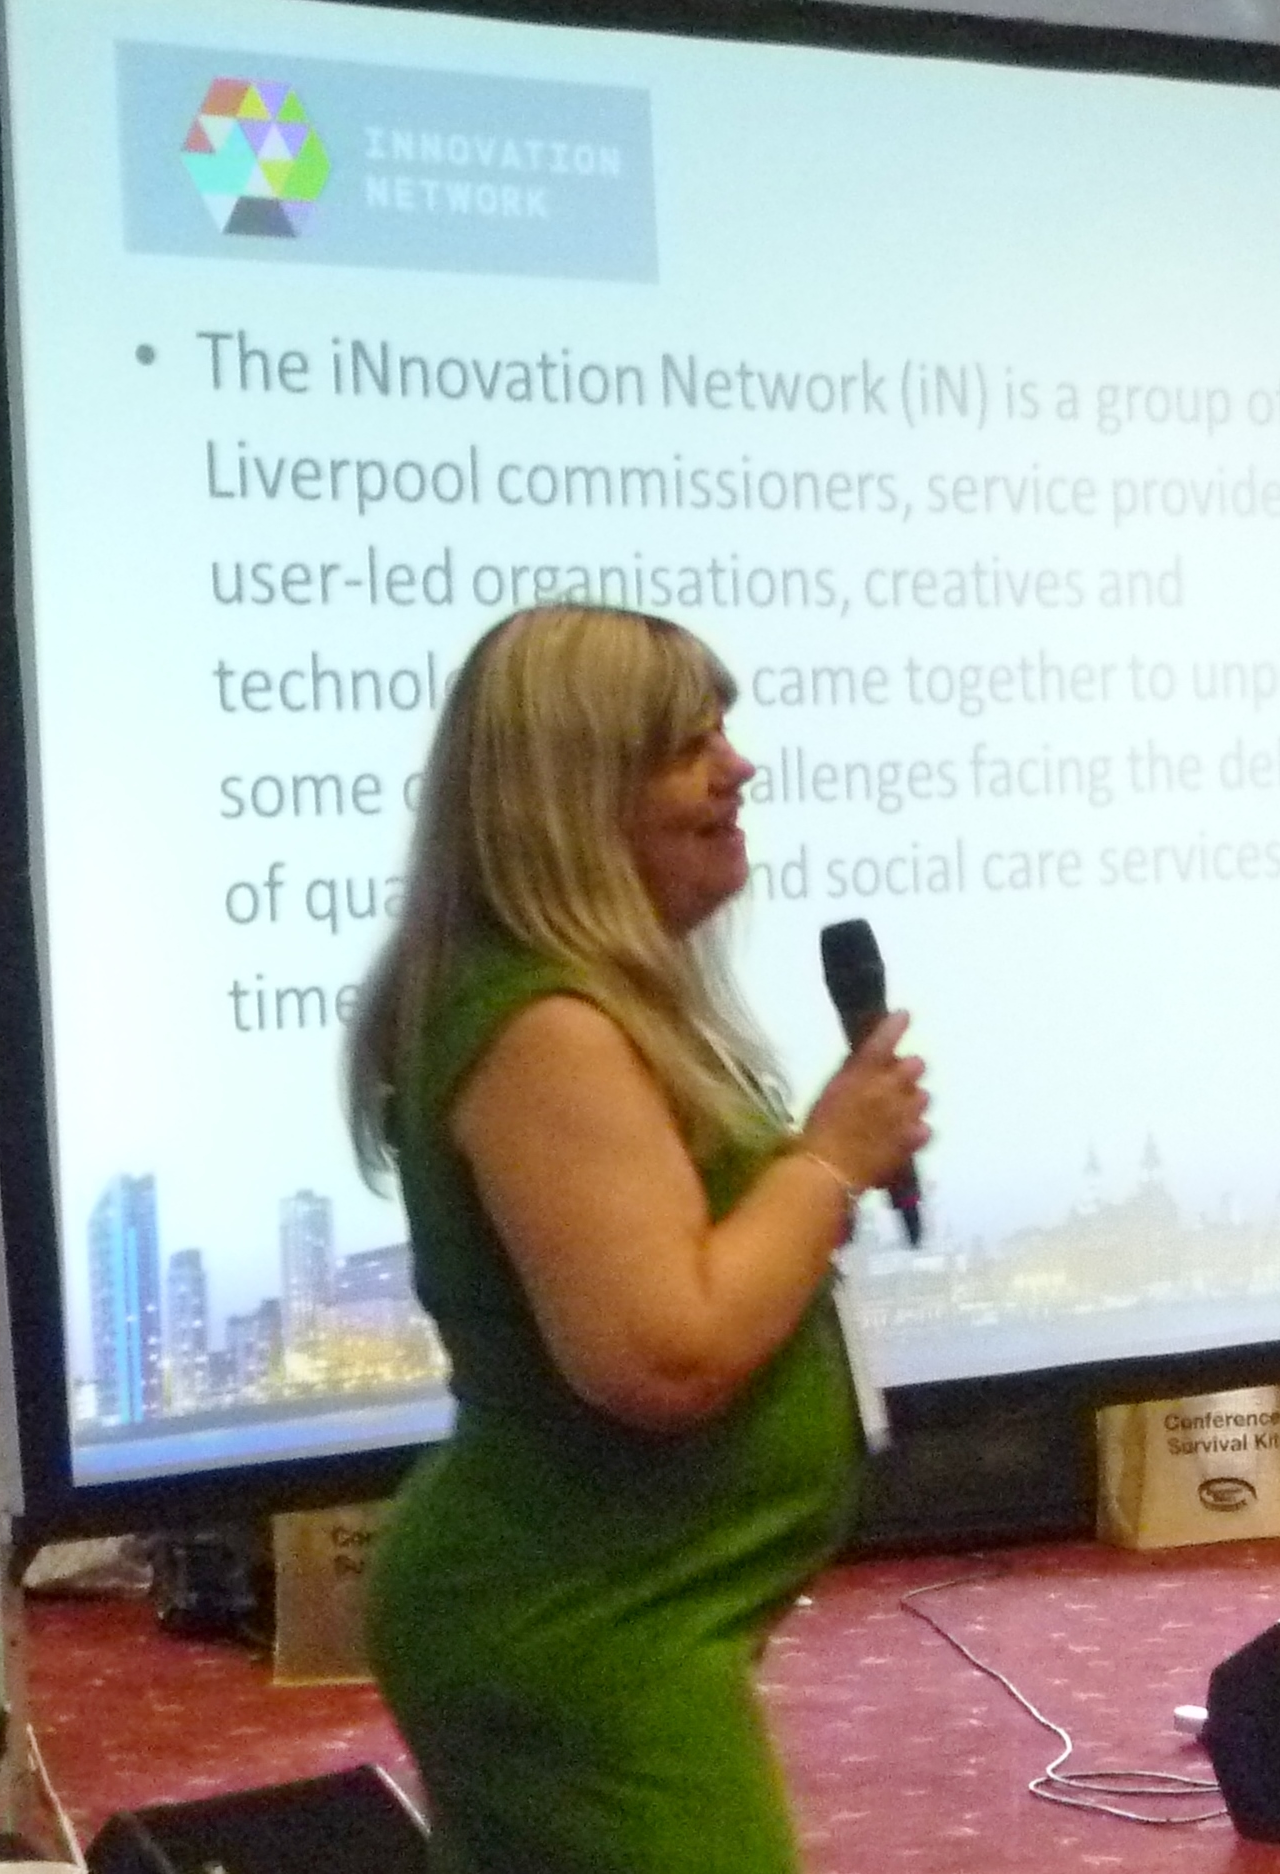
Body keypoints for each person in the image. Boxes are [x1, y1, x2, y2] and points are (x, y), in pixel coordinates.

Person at [347, 603, 930, 1874]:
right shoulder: (543, 1028)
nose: (738, 767)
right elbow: (662, 1352)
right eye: (687, 744)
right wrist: (828, 1160)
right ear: (572, 791)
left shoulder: (576, 1006)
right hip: (583, 1623)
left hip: (621, 1613)